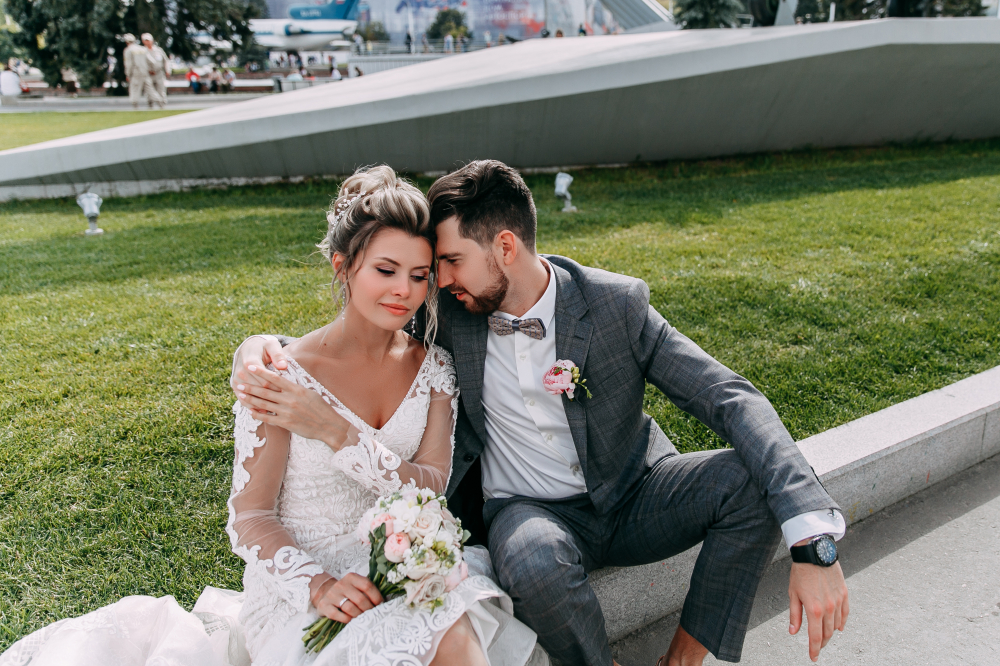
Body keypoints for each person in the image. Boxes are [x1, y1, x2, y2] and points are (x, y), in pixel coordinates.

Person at [232, 160, 851, 666]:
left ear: (504, 246)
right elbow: (358, 325)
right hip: (529, 513)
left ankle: (684, 661)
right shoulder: (450, 318)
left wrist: (812, 543)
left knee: (748, 481)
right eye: (430, 269)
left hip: (632, 493)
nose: (433, 283)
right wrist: (259, 347)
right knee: (531, 558)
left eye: (447, 263)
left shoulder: (614, 304)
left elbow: (728, 396)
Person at [0, 166, 547, 666]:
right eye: (386, 270)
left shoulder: (434, 368)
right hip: (301, 588)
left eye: (420, 274)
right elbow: (251, 517)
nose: (404, 290)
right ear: (342, 266)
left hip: (402, 564)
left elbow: (431, 485)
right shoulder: (279, 374)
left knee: (450, 629)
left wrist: (334, 430)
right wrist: (319, 586)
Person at [141, 33, 168, 108]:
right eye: (146, 40)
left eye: (148, 40)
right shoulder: (142, 51)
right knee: (149, 92)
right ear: (143, 41)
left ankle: (162, 105)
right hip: (148, 74)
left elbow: (166, 61)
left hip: (159, 73)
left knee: (161, 90)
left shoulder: (158, 50)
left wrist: (167, 70)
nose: (148, 42)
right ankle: (150, 106)